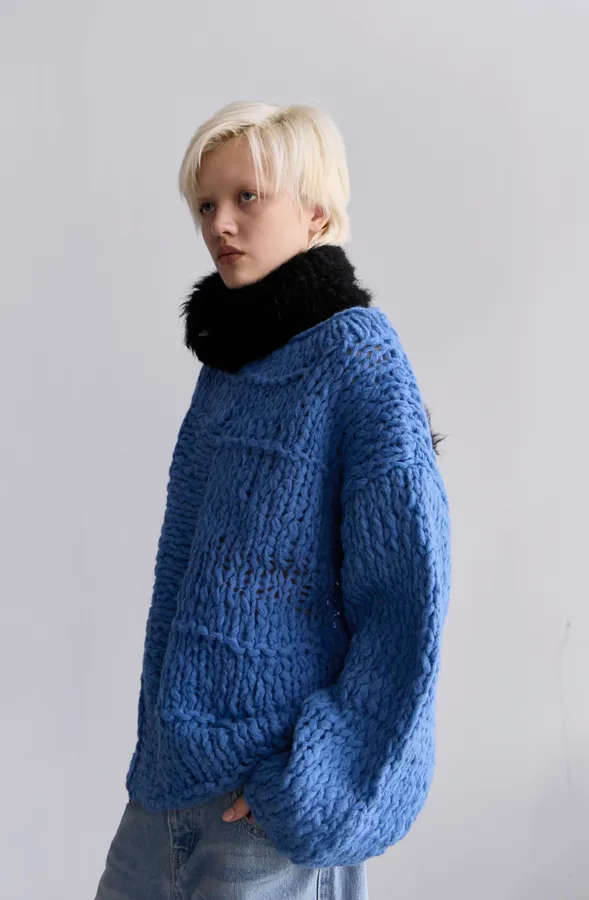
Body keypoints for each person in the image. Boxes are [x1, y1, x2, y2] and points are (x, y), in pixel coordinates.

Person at [93, 99, 451, 900]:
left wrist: (315, 782)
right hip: (165, 791)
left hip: (269, 810)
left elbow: (406, 602)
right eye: (205, 205)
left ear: (316, 211)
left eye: (246, 197)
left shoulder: (361, 363)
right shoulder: (228, 366)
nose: (220, 224)